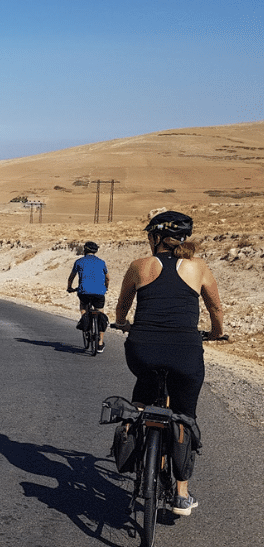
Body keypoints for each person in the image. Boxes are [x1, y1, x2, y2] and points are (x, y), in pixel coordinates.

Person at [112, 210, 224, 516]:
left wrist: (122, 323)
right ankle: (181, 495)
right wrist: (216, 333)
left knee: (144, 389)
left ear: (156, 237)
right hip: (185, 352)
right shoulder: (198, 266)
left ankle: (133, 425)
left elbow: (123, 306)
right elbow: (215, 307)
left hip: (142, 350)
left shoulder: (139, 266)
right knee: (185, 416)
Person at [67, 241, 109, 352]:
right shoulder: (101, 262)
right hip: (99, 293)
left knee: (83, 306)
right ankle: (100, 343)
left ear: (85, 250)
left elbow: (71, 278)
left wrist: (69, 288)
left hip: (84, 292)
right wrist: (106, 287)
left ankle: (85, 325)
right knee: (100, 312)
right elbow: (107, 278)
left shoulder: (79, 261)